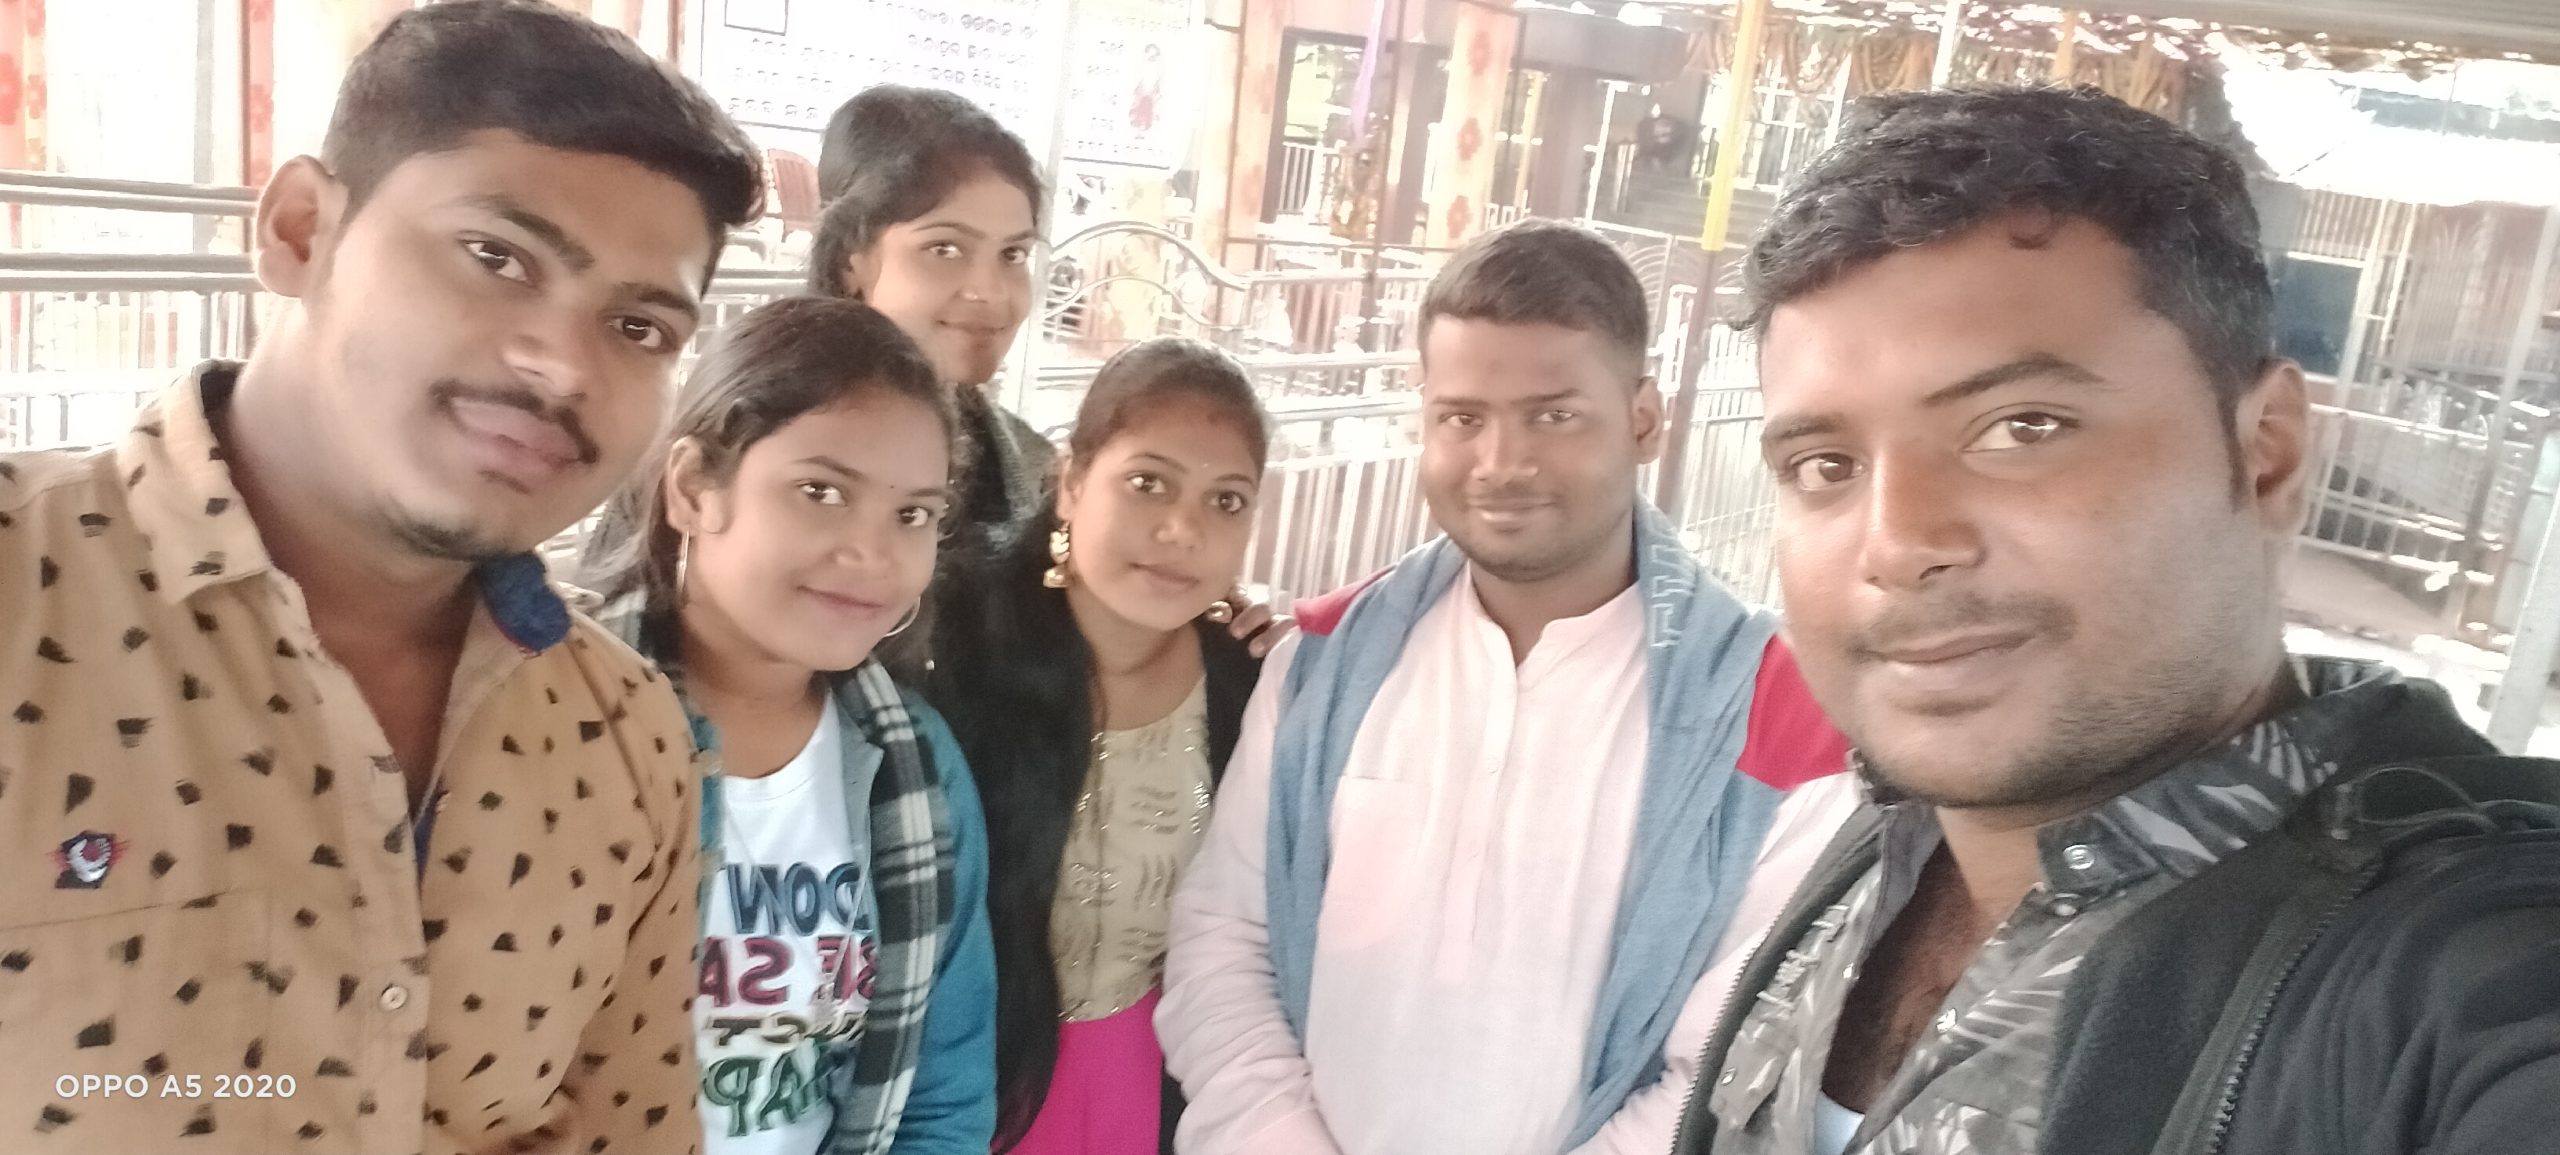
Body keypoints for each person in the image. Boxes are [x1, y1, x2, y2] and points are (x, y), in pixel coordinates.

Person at [1672, 85, 2560, 1155]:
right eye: (1825, 465)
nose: (1898, 542)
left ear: (2266, 453)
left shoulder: (2462, 969)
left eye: (2022, 426)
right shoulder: (1887, 840)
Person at [0, 4, 759, 1151]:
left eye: (640, 327)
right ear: (301, 231)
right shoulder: (28, 594)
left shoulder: (627, 738)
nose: (562, 364)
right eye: (497, 258)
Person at [1158, 221, 1863, 1155]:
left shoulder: (1776, 716)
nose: (1501, 463)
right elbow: (1224, 941)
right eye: (1462, 418)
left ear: (1643, 421)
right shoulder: (1322, 663)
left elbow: (1737, 1059)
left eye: (1553, 415)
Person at [576, 296, 997, 1155]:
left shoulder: (916, 769)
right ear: (694, 488)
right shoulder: (565, 729)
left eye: (913, 513)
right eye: (821, 492)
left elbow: (944, 1091)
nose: (872, 553)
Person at [923, 339, 1275, 1154]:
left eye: (1226, 501)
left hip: (1164, 1096)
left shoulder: (1251, 686)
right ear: (1072, 482)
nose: (1183, 529)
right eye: (1148, 483)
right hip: (965, 1093)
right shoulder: (949, 647)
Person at [811, 86, 1054, 544]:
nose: (990, 292)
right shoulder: (758, 450)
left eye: (1013, 254)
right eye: (945, 248)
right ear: (849, 261)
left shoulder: (1037, 471)